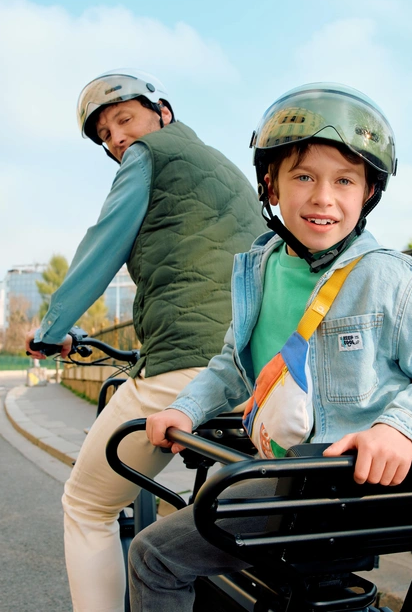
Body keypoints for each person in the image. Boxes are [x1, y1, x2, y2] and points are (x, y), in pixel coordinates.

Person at [129, 83, 412, 611]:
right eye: (303, 177)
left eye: (344, 180)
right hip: (277, 472)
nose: (324, 197)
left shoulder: (393, 280)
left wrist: (399, 429)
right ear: (271, 187)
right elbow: (232, 365)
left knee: (154, 557)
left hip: (334, 485)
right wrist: (184, 409)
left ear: (368, 193)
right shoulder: (258, 271)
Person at [26, 69, 266, 612]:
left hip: (188, 364)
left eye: (124, 119)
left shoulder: (149, 155)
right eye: (105, 134)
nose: (117, 138)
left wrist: (51, 332)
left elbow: (102, 246)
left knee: (86, 505)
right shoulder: (219, 166)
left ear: (162, 112)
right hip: (256, 370)